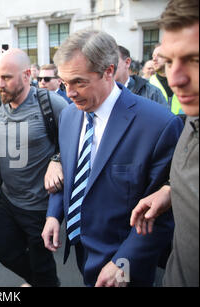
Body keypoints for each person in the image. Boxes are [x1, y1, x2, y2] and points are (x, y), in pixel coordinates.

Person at [41, 29, 183, 287]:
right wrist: (54, 214)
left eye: (79, 82)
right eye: (64, 83)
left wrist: (124, 262)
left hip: (125, 263)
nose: (69, 93)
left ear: (109, 71)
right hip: (81, 250)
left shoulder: (158, 124)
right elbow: (72, 174)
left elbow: (162, 216)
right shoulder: (69, 117)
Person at [130, 0, 199, 287]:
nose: (175, 79)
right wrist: (171, 190)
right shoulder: (191, 118)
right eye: (169, 61)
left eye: (196, 60)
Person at [0, 48, 68, 287]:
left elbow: (76, 142)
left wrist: (57, 159)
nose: (0, 84)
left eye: (7, 77)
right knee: (5, 253)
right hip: (9, 199)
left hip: (40, 206)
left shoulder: (51, 103)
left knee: (41, 264)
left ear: (27, 75)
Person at [150, 44, 184, 116]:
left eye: (159, 55)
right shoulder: (147, 84)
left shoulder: (186, 83)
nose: (154, 59)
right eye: (153, 56)